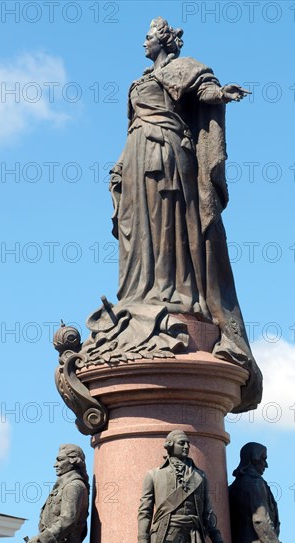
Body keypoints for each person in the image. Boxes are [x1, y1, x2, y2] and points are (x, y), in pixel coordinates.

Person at [84, 16, 262, 413]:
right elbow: (133, 124)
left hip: (166, 154)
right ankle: (140, 295)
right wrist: (118, 168)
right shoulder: (139, 80)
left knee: (169, 226)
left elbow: (203, 89)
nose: (143, 43)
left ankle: (176, 292)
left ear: (163, 41)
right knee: (136, 232)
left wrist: (220, 93)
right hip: (136, 158)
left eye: (147, 37)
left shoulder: (183, 68)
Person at [138, 430, 229, 543]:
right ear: (170, 445)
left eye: (188, 443)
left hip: (193, 536)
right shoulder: (153, 475)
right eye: (181, 443)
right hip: (165, 535)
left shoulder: (200, 476)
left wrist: (218, 540)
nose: (186, 447)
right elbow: (145, 511)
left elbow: (207, 513)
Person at [25, 444, 89, 543]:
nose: (55, 465)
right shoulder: (64, 486)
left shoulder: (73, 486)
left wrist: (41, 539)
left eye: (60, 460)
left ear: (73, 461)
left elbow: (68, 520)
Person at [229, 443, 283, 543]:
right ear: (254, 459)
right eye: (263, 459)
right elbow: (260, 518)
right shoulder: (254, 483)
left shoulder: (235, 485)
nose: (266, 464)